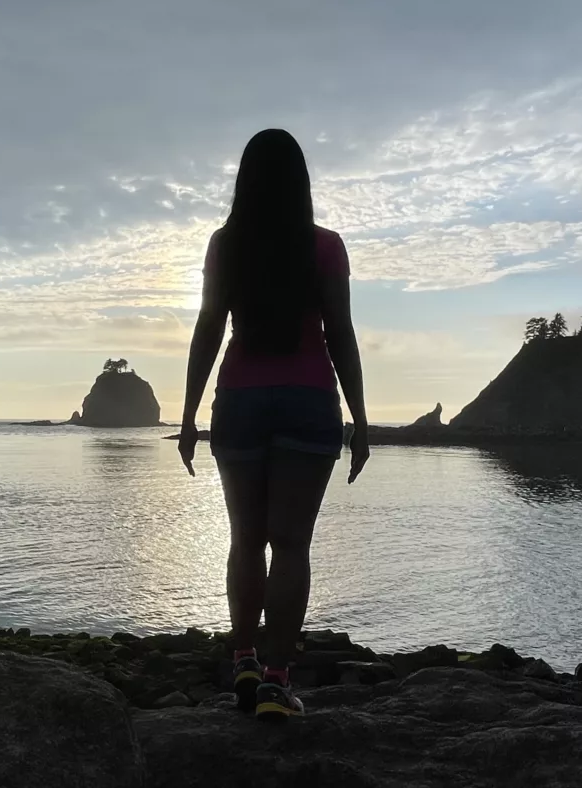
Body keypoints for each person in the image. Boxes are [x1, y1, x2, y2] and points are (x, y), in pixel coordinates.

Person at [178, 128, 370, 722]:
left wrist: (187, 416)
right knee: (290, 546)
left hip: (239, 401)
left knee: (245, 540)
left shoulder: (225, 245)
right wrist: (360, 418)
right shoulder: (326, 247)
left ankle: (243, 661)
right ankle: (277, 682)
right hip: (308, 400)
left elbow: (208, 328)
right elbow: (339, 330)